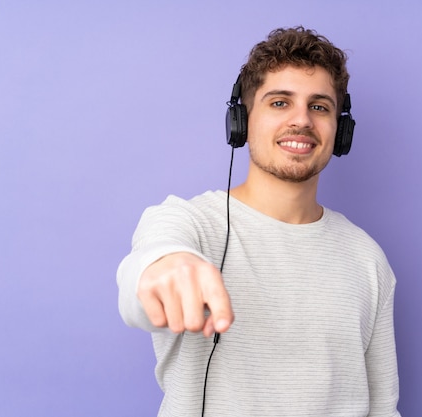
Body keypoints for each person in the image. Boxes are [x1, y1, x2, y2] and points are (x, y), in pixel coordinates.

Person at [117, 26, 401, 417]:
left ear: (341, 131)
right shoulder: (188, 223)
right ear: (242, 120)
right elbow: (140, 283)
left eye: (319, 106)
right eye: (280, 103)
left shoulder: (367, 257)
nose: (301, 121)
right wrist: (165, 265)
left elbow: (383, 409)